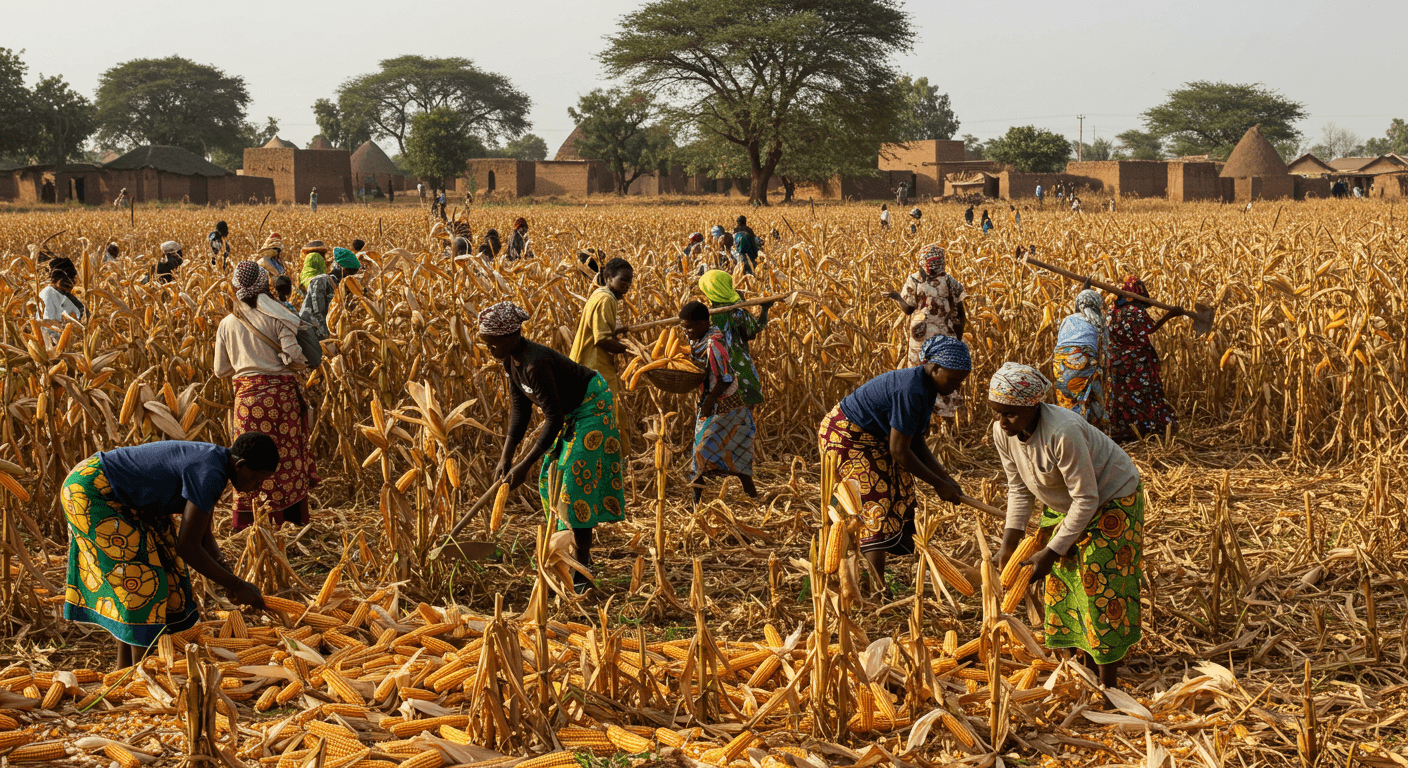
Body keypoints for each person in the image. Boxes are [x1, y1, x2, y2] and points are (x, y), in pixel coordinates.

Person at [987, 362, 1144, 692]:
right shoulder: (1004, 432)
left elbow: (1087, 499)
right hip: (1064, 502)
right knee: (1064, 586)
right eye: (996, 412)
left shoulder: (1062, 432)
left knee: (1099, 584)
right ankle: (1080, 667)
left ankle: (1108, 683)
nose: (1002, 422)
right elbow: (1018, 488)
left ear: (1034, 407)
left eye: (1010, 414)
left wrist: (1051, 551)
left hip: (1111, 499)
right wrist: (1008, 544)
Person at [61, 432, 275, 669]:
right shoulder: (210, 472)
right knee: (142, 582)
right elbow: (188, 547)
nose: (257, 487)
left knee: (167, 569)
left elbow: (203, 534)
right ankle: (136, 672)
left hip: (126, 497)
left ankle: (128, 669)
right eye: (257, 479)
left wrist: (226, 575)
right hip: (93, 490)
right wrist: (237, 585)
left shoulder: (217, 464)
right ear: (242, 465)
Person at [479, 302, 625, 594]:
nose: (490, 348)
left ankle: (583, 566)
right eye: (486, 343)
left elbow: (553, 417)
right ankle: (569, 552)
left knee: (573, 484)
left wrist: (525, 464)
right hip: (571, 414)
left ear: (512, 335)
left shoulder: (535, 363)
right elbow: (520, 410)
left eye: (493, 342)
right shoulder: (511, 361)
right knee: (551, 481)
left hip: (592, 407)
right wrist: (506, 457)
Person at [817, 336, 970, 588]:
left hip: (874, 437)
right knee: (876, 498)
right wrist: (937, 484)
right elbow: (899, 452)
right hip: (846, 436)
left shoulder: (927, 387)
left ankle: (909, 547)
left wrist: (944, 477)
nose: (956, 387)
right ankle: (877, 585)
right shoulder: (911, 389)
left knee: (902, 488)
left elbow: (915, 440)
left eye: (960, 381)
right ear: (934, 369)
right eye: (953, 379)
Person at [215, 262, 317, 531]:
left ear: (237, 288)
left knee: (249, 461)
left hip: (247, 402)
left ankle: (250, 522)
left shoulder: (227, 323)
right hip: (281, 399)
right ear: (264, 286)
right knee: (285, 457)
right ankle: (290, 519)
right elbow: (295, 355)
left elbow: (220, 370)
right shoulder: (277, 316)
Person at [680, 301, 757, 505]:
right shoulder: (698, 342)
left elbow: (726, 377)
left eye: (689, 327)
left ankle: (751, 496)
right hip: (711, 403)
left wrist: (710, 399)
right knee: (723, 452)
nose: (686, 331)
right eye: (683, 327)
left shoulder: (714, 345)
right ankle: (696, 501)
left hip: (727, 406)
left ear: (704, 323)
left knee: (705, 451)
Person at [885, 246, 967, 417]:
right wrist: (958, 338)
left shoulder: (914, 280)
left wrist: (896, 297)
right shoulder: (949, 280)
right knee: (945, 376)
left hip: (920, 340)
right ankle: (947, 418)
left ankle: (919, 416)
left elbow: (908, 309)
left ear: (923, 262)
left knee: (919, 375)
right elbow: (961, 313)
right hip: (945, 338)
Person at [1107, 277, 1181, 443]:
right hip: (1137, 363)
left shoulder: (1112, 312)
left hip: (1115, 362)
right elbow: (1150, 330)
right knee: (1142, 394)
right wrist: (1170, 315)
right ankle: (1144, 428)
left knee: (1120, 396)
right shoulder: (1135, 311)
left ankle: (1122, 430)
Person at [699, 270, 771, 413]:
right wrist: (765, 310)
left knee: (720, 417)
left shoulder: (705, 317)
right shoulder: (739, 314)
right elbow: (752, 332)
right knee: (743, 415)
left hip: (715, 375)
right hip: (740, 371)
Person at [1053, 288, 1109, 432]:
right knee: (1093, 393)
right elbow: (1101, 350)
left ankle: (1068, 431)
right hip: (1085, 360)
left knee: (1067, 397)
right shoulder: (1098, 322)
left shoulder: (1068, 319)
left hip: (1060, 362)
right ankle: (1095, 432)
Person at [301, 248, 360, 340]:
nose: (351, 276)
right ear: (340, 268)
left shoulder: (341, 286)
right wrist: (329, 337)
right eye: (351, 272)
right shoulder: (320, 281)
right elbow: (317, 314)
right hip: (310, 333)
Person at [38, 264, 85, 344]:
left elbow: (78, 316)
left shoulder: (65, 296)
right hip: (52, 342)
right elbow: (47, 324)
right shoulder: (48, 293)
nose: (73, 283)